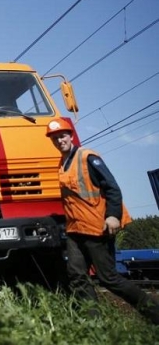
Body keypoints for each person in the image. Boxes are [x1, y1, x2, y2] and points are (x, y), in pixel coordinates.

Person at [47, 117, 159, 324]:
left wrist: (113, 216)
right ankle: (95, 324)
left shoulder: (87, 157)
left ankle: (154, 314)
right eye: (54, 138)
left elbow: (112, 187)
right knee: (77, 276)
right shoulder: (62, 163)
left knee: (109, 278)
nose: (59, 141)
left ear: (70, 136)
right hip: (75, 229)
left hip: (97, 227)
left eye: (62, 136)